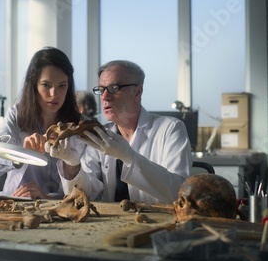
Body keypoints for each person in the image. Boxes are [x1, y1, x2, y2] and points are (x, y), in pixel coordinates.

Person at [46, 60, 192, 204]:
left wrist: (129, 157)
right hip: (115, 226)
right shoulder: (101, 133)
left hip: (162, 224)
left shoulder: (170, 129)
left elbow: (179, 194)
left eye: (114, 88)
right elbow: (86, 195)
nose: (104, 97)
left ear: (137, 92)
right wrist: (72, 164)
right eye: (101, 90)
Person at [0, 47, 85, 199]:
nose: (53, 94)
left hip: (62, 208)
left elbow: (90, 187)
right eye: (46, 85)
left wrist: (48, 198)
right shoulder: (16, 116)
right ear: (34, 85)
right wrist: (20, 154)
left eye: (61, 85)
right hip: (18, 204)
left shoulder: (80, 125)